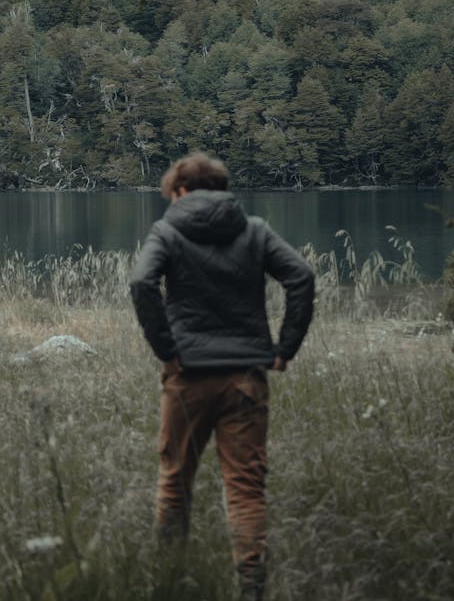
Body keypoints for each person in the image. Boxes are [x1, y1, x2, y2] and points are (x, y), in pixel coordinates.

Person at [130, 152, 315, 600]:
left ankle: (170, 584)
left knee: (175, 482)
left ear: (181, 192)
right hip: (246, 379)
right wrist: (284, 349)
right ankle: (251, 590)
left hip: (188, 376)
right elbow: (302, 277)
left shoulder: (168, 230)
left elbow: (141, 283)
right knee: (246, 490)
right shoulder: (254, 230)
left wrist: (167, 351)